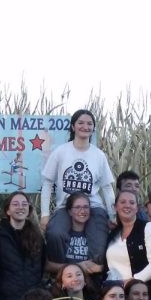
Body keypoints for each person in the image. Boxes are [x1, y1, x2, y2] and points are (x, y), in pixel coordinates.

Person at [40, 109, 116, 263]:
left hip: (93, 206)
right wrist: (44, 215)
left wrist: (112, 215)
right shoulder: (60, 152)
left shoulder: (99, 155)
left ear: (93, 128)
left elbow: (107, 188)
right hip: (65, 206)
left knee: (99, 244)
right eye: (80, 123)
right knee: (55, 235)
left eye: (89, 124)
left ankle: (93, 280)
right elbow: (47, 183)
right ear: (73, 127)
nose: (85, 126)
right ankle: (61, 273)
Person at [105, 189, 151, 287]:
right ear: (115, 207)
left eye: (132, 202)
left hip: (144, 295)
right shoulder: (113, 233)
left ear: (137, 208)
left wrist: (132, 282)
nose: (127, 205)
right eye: (123, 202)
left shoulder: (149, 228)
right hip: (117, 294)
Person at [44, 191, 105, 286]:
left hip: (90, 286)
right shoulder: (60, 235)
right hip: (63, 285)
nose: (82, 211)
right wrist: (77, 267)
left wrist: (99, 268)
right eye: (77, 207)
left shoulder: (96, 236)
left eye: (86, 207)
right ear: (69, 211)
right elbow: (47, 265)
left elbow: (106, 265)